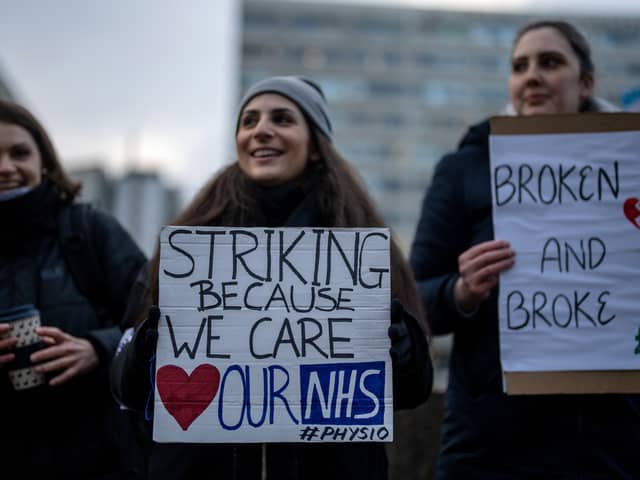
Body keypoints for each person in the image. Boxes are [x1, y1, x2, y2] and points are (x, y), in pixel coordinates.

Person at [111, 75, 433, 480]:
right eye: (249, 121)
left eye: (282, 119)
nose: (261, 130)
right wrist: (146, 348)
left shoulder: (364, 250)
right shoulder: (187, 250)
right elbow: (124, 383)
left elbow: (416, 386)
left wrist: (401, 347)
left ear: (316, 146)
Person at [410, 20, 640, 479]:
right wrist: (462, 291)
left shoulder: (632, 169)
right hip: (490, 441)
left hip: (611, 439)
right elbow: (416, 300)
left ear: (586, 83)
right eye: (519, 66)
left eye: (550, 63)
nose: (531, 75)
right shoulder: (464, 167)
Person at [0, 100, 147, 479]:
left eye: (19, 153)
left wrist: (97, 348)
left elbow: (157, 320)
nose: (5, 168)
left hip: (95, 459)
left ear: (44, 161)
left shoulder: (88, 231)